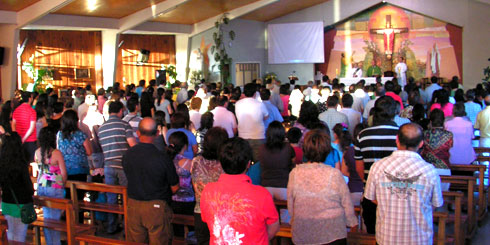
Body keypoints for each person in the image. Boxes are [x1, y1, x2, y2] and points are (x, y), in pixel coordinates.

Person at [364, 123, 443, 244]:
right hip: (418, 238)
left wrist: (390, 201)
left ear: (397, 140)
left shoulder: (378, 167)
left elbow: (372, 198)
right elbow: (435, 203)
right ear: (421, 143)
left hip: (387, 237)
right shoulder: (429, 170)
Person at [200, 137, 280, 244]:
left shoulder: (208, 191)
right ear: (248, 164)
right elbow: (274, 227)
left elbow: (208, 220)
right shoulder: (262, 194)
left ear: (221, 163)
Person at [288, 129, 357, 244]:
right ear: (326, 151)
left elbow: (291, 205)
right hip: (333, 233)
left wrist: (295, 220)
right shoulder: (334, 174)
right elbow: (347, 203)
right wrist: (352, 222)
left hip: (303, 231)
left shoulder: (295, 173)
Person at [122, 117, 179, 244]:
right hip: (156, 207)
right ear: (157, 134)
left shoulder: (128, 155)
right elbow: (175, 187)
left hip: (133, 205)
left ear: (138, 133)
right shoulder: (162, 158)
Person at [354, 96, 399, 234]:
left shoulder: (363, 135)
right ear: (394, 112)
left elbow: (359, 167)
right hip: (396, 193)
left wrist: (368, 183)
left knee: (373, 234)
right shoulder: (401, 134)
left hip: (371, 194)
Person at [98, 101, 137, 234]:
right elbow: (132, 144)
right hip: (123, 165)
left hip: (108, 166)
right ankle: (127, 227)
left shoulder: (102, 128)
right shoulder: (124, 125)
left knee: (111, 198)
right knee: (127, 196)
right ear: (120, 111)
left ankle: (111, 226)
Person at [191, 127, 228, 244]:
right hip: (221, 213)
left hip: (200, 210)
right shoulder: (226, 164)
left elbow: (194, 184)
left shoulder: (196, 161)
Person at [35, 127, 67, 245]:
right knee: (55, 220)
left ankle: (51, 242)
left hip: (41, 185)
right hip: (55, 187)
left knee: (48, 217)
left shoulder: (37, 152)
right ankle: (54, 242)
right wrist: (62, 185)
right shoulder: (56, 153)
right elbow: (63, 173)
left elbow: (39, 171)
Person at [0, 132, 34, 243]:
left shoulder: (2, 164)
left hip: (6, 203)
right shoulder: (21, 164)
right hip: (22, 204)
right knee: (20, 236)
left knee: (10, 235)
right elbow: (29, 187)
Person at [166, 131, 196, 238]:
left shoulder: (167, 161)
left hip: (172, 200)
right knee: (192, 230)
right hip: (188, 200)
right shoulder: (188, 162)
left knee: (177, 232)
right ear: (185, 146)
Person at [258, 121, 295, 201]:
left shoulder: (261, 149)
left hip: (265, 187)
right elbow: (293, 165)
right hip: (284, 187)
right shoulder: (288, 148)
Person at [235, 83, 269, 162]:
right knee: (258, 163)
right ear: (255, 93)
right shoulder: (260, 104)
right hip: (258, 136)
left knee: (244, 161)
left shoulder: (238, 104)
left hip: (243, 136)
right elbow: (266, 116)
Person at [334, 124, 364, 206]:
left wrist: (354, 175)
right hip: (368, 191)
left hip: (352, 189)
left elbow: (343, 171)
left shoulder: (348, 151)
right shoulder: (371, 150)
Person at [12, 91, 37, 162]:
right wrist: (24, 138)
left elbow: (13, 125)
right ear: (29, 99)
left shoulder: (16, 110)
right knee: (32, 162)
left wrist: (17, 137)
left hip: (19, 139)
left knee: (22, 161)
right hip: (30, 140)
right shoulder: (32, 111)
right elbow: (31, 128)